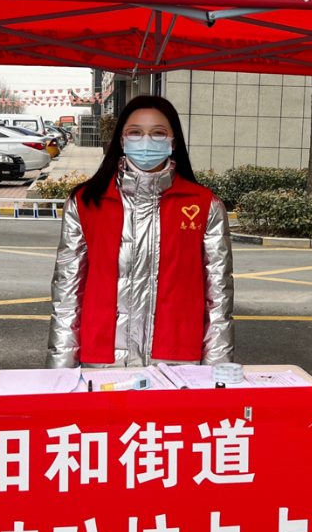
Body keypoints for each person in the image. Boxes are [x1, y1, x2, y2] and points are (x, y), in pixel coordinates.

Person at [47, 95, 234, 368]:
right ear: (122, 141)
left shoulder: (204, 205)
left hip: (177, 363)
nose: (146, 141)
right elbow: (67, 295)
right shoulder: (87, 202)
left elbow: (218, 298)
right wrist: (60, 373)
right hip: (102, 360)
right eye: (135, 132)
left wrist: (218, 374)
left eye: (158, 133)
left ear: (173, 142)